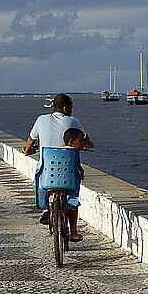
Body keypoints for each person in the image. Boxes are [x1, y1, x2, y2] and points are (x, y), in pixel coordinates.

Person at [22, 94, 93, 242]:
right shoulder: (73, 121)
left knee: (40, 173)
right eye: (71, 109)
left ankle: (46, 209)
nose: (71, 112)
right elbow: (85, 140)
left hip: (47, 171)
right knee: (72, 197)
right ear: (66, 108)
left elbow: (30, 140)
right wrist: (88, 145)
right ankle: (73, 231)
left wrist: (27, 150)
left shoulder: (41, 119)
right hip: (68, 172)